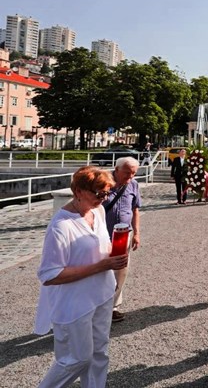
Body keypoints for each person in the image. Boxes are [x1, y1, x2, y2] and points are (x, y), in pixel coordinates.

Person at [34, 166, 128, 387]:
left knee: (99, 353)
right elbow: (50, 274)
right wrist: (101, 265)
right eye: (99, 193)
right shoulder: (61, 226)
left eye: (107, 194)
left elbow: (96, 248)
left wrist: (115, 254)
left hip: (102, 294)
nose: (103, 199)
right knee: (75, 359)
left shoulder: (98, 211)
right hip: (75, 303)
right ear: (78, 190)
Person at [103, 157, 142, 324]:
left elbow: (135, 209)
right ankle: (98, 305)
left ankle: (113, 307)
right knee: (100, 270)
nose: (131, 176)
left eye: (133, 173)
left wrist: (137, 234)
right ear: (116, 169)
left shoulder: (133, 184)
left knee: (120, 270)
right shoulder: (103, 182)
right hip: (102, 234)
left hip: (122, 235)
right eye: (127, 173)